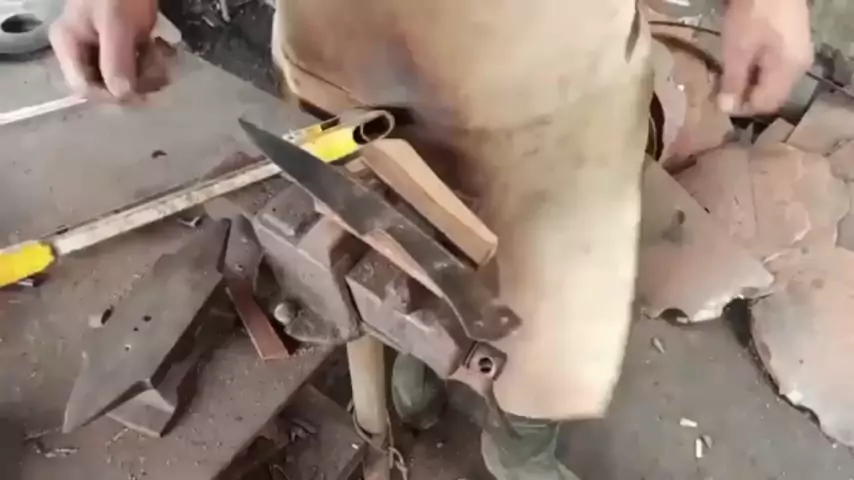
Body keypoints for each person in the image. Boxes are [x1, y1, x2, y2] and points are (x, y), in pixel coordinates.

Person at [49, 0, 813, 478]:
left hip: (549, 63)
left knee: (550, 306)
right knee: (380, 253)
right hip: (343, 45)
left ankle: (519, 444)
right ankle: (421, 371)